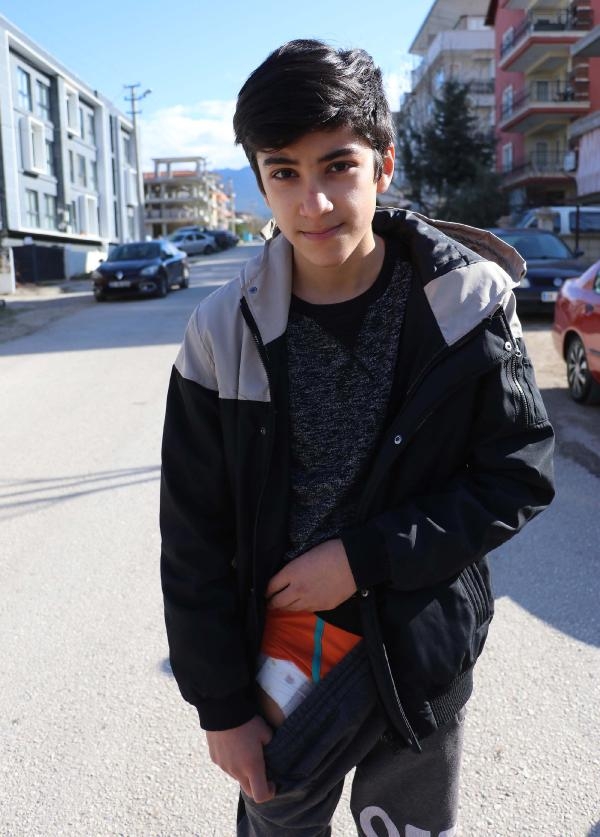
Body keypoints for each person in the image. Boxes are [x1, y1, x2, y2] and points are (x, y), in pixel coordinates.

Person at [160, 39, 555, 836]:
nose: (313, 203)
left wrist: (361, 558)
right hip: (281, 660)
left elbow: (518, 473)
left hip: (421, 648)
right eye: (284, 172)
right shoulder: (220, 333)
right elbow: (193, 535)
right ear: (261, 182)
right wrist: (222, 706)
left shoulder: (467, 304)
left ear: (383, 165)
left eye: (338, 166)